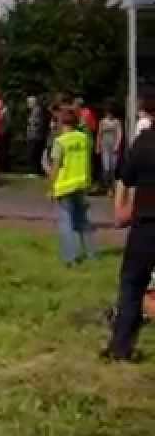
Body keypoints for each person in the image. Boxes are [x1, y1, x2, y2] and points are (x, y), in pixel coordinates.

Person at [103, 107, 155, 362]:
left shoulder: (144, 142)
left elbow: (124, 177)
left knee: (132, 285)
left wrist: (121, 209)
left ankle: (121, 346)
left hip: (146, 225)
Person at [48, 108, 96, 266]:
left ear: (62, 123)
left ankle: (71, 258)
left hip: (65, 185)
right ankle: (92, 254)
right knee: (83, 221)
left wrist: (51, 187)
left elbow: (55, 167)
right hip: (81, 184)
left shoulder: (60, 142)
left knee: (66, 223)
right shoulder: (84, 138)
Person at [99, 105, 124, 190]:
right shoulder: (102, 122)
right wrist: (98, 146)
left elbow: (119, 134)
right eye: (108, 113)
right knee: (106, 167)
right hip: (105, 146)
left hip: (114, 146)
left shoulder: (117, 122)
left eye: (111, 113)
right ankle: (107, 186)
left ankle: (113, 186)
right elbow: (100, 134)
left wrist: (117, 145)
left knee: (113, 167)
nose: (110, 115)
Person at [26, 95, 49, 177]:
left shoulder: (37, 110)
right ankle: (36, 171)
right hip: (36, 135)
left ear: (33, 103)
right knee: (35, 154)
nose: (28, 104)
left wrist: (31, 123)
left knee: (33, 154)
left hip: (35, 136)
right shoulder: (36, 110)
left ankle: (34, 172)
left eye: (29, 102)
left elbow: (36, 123)